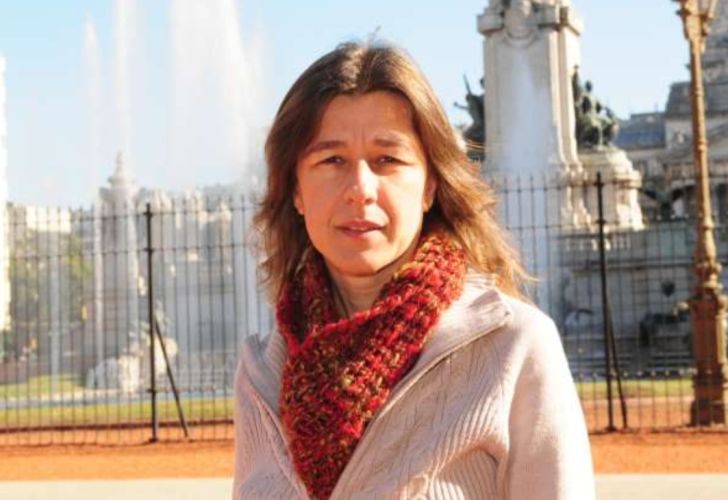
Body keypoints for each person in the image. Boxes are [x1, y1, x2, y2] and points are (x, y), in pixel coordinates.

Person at [233, 42, 594, 499]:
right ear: (296, 191)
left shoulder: (515, 345)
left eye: (387, 160)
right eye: (331, 160)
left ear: (430, 187)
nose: (360, 188)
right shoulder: (262, 370)